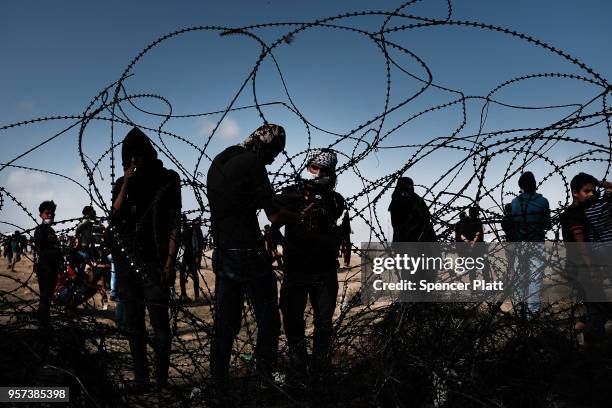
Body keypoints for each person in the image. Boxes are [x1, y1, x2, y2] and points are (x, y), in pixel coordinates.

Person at [207, 123, 297, 386]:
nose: (272, 161)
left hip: (224, 252)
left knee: (225, 324)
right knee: (269, 318)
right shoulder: (251, 163)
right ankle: (265, 375)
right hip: (248, 254)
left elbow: (241, 201)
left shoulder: (222, 159)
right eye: (273, 153)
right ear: (263, 145)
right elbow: (274, 214)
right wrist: (301, 216)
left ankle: (218, 380)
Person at [111, 126, 181, 391]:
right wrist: (127, 182)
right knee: (134, 325)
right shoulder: (123, 183)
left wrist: (170, 260)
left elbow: (175, 220)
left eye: (139, 155)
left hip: (154, 262)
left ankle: (161, 380)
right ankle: (142, 380)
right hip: (127, 263)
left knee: (160, 325)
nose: (134, 160)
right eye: (130, 156)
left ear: (149, 153)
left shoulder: (167, 179)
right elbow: (114, 217)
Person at [277, 149, 349, 387]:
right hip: (296, 270)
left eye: (323, 170)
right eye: (313, 167)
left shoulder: (336, 200)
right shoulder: (290, 195)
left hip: (324, 271)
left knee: (324, 324)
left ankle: (318, 369)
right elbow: (274, 217)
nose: (317, 173)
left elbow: (339, 229)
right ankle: (299, 367)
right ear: (308, 167)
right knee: (293, 321)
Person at [560, 173, 612, 345]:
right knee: (598, 309)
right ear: (575, 193)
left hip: (578, 268)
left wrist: (600, 183)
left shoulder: (582, 210)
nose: (591, 194)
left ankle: (580, 334)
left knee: (596, 307)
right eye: (587, 191)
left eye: (593, 191)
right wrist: (592, 270)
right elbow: (580, 243)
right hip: (582, 268)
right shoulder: (575, 213)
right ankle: (589, 348)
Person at [511, 171, 551, 314]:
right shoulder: (543, 201)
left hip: (520, 243)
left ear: (520, 186)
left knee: (519, 278)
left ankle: (519, 310)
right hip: (536, 242)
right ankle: (532, 312)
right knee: (534, 278)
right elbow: (547, 225)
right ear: (535, 184)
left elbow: (514, 224)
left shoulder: (515, 202)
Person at [33, 200, 63, 328]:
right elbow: (41, 251)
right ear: (41, 215)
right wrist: (56, 251)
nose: (50, 215)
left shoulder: (50, 231)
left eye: (52, 214)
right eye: (47, 213)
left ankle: (45, 322)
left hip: (52, 268)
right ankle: (43, 325)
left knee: (48, 297)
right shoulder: (40, 231)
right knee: (45, 297)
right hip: (45, 268)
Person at [388, 177, 436, 243]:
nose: (408, 187)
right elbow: (398, 220)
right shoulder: (397, 198)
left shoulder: (416, 198)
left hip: (422, 235)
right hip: (406, 237)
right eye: (405, 185)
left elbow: (426, 213)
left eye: (410, 185)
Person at [179, 215, 203, 302]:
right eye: (180, 221)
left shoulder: (190, 230)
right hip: (185, 256)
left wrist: (197, 256)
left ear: (185, 220)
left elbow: (195, 242)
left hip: (191, 256)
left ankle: (196, 296)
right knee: (182, 277)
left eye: (183, 220)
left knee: (195, 276)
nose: (182, 222)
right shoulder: (181, 230)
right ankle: (184, 296)